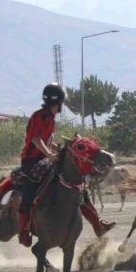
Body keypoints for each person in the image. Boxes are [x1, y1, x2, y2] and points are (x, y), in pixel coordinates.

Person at [18, 83, 116, 247]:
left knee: (75, 185)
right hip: (31, 161)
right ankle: (23, 231)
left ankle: (98, 224)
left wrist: (60, 150)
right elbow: (36, 140)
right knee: (29, 192)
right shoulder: (39, 116)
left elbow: (47, 142)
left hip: (48, 159)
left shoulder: (50, 117)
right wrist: (49, 154)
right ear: (59, 102)